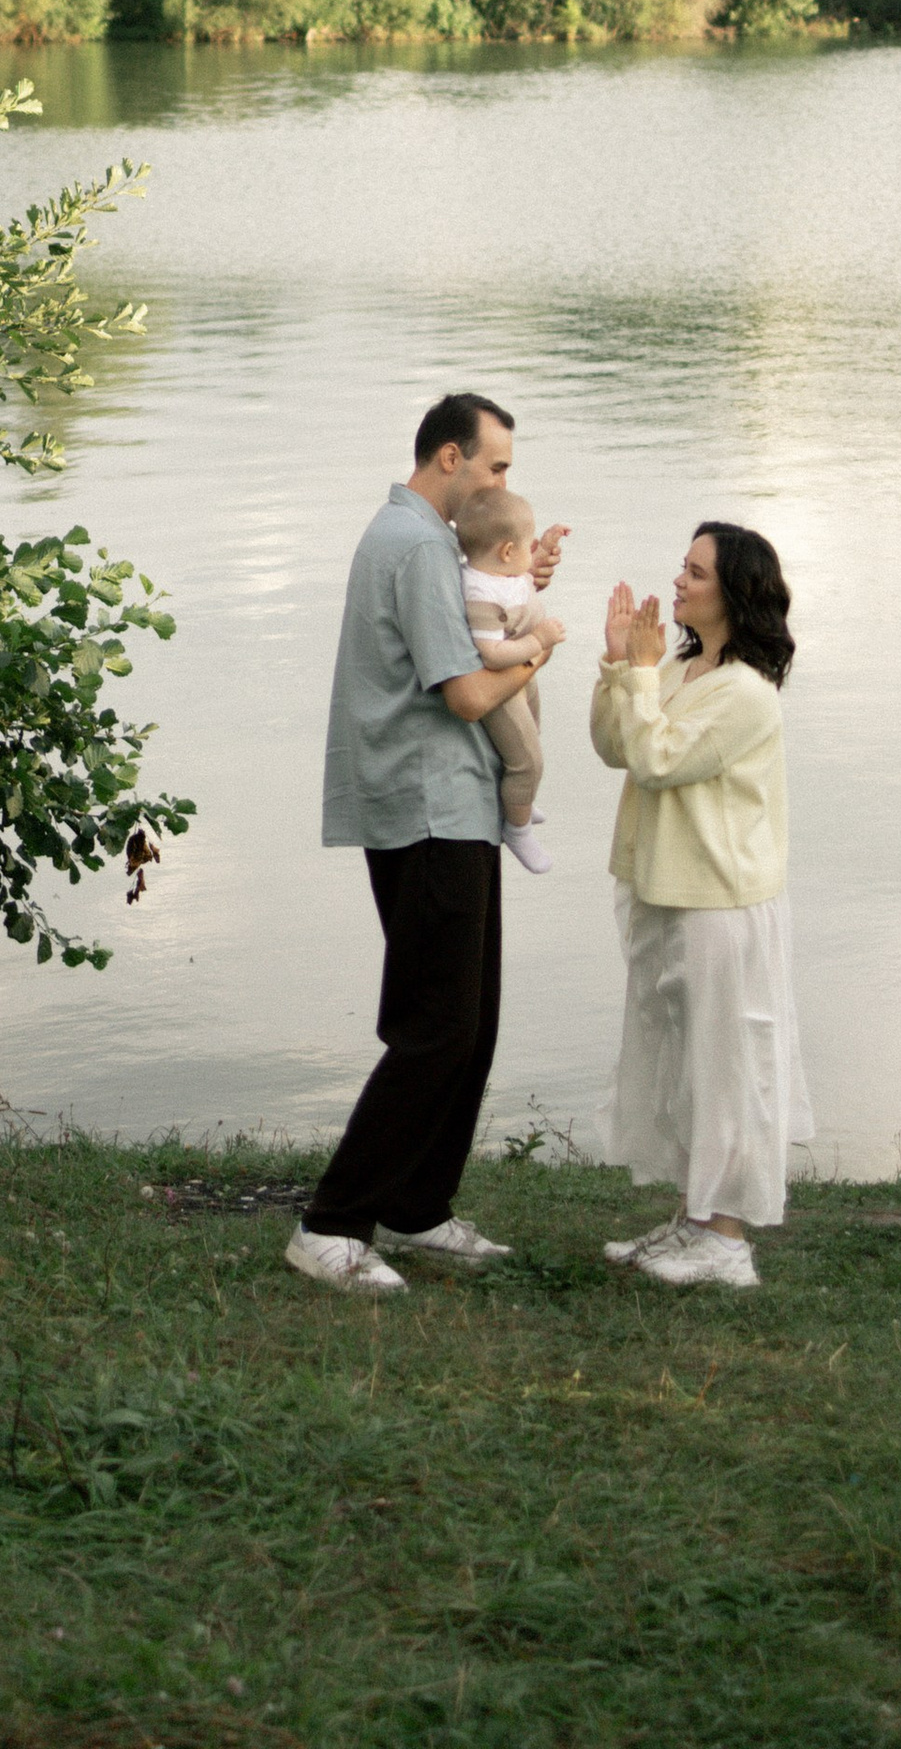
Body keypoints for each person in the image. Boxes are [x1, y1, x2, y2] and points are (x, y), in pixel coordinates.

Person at [287, 392, 567, 1297]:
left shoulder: (429, 543)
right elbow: (470, 693)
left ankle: (417, 1203)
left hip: (454, 806)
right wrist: (541, 649)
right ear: (451, 456)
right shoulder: (413, 546)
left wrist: (520, 580)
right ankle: (331, 1223)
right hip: (427, 806)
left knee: (470, 1022)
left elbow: (476, 619)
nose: (502, 480)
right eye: (496, 465)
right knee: (435, 1028)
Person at [590, 521, 811, 1294]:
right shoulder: (680, 668)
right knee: (682, 1063)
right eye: (682, 566)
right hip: (665, 886)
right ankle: (694, 1218)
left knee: (726, 1065)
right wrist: (621, 665)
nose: (679, 581)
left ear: (735, 592)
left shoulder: (746, 693)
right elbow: (616, 746)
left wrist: (638, 676)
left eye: (696, 572)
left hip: (719, 898)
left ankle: (727, 1242)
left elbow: (658, 759)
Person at [454, 485, 555, 875]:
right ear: (507, 552)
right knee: (527, 758)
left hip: (521, 675)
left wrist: (542, 550)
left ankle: (522, 801)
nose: (532, 553)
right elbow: (492, 654)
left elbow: (521, 579)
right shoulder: (480, 595)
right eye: (528, 545)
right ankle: (517, 829)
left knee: (532, 735)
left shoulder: (498, 571)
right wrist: (538, 642)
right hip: (501, 684)